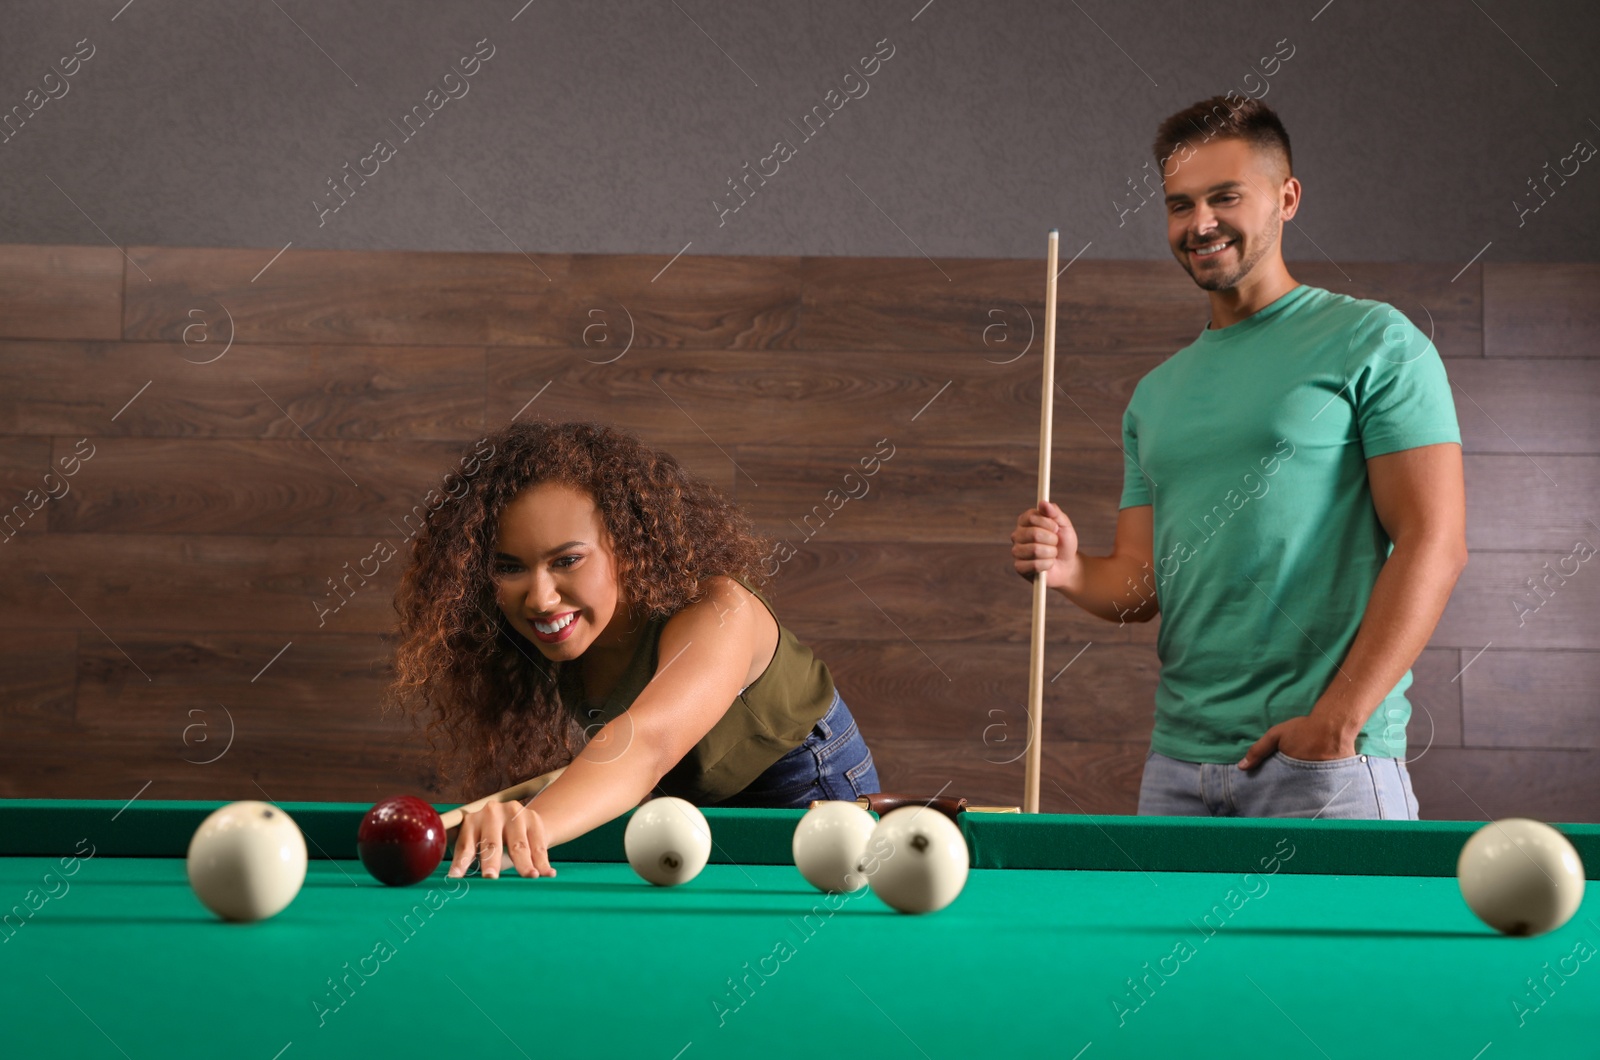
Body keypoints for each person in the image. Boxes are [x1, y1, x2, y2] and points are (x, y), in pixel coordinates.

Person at [1010, 95, 1466, 819]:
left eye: (1225, 197)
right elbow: (1142, 587)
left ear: (1286, 198)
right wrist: (1070, 570)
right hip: (1178, 771)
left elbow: (1434, 543)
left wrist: (1339, 722)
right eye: (1180, 204)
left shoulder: (1376, 341)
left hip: (1327, 767)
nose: (1200, 224)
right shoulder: (1154, 396)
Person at [384, 420, 878, 878]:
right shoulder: (563, 629)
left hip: (815, 800)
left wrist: (529, 827)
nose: (539, 597)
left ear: (628, 541)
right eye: (509, 567)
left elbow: (645, 746)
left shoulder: (722, 609)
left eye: (568, 560)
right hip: (692, 817)